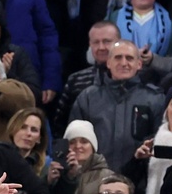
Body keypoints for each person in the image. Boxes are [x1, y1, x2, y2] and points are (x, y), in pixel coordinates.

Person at [69, 40, 165, 172]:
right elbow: (73, 142)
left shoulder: (155, 99)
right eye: (118, 57)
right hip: (94, 181)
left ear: (139, 64)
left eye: (129, 58)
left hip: (139, 183)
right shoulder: (87, 98)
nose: (123, 63)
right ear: (108, 63)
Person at [53, 21, 120, 136]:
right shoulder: (76, 80)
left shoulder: (135, 79)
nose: (101, 47)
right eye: (96, 42)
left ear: (119, 42)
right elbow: (60, 125)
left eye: (107, 41)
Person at [6, 107, 50, 178]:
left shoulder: (44, 171)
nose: (28, 133)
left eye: (34, 130)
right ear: (12, 130)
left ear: (39, 138)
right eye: (23, 127)